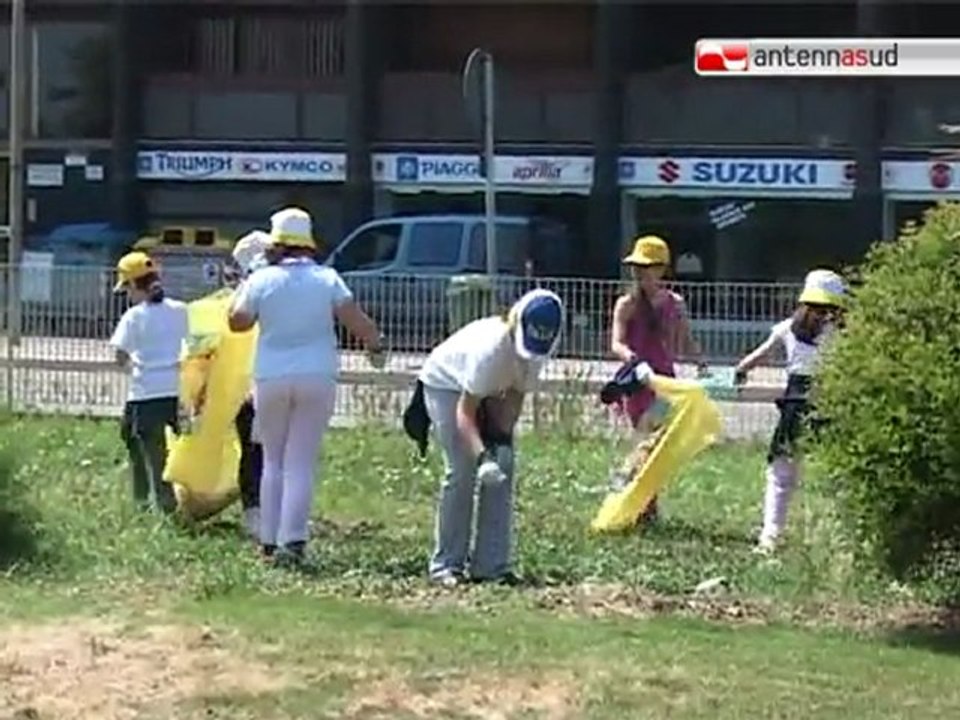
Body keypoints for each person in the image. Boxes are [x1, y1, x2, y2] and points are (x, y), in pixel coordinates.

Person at [227, 208, 384, 567]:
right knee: (300, 462)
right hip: (317, 374)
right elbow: (356, 320)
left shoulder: (262, 280)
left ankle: (268, 541)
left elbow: (237, 322)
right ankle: (293, 541)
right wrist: (376, 345)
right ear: (308, 244)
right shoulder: (327, 279)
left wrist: (247, 286)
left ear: (277, 244)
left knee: (272, 461)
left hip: (271, 376)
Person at [417, 288, 565, 587]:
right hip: (447, 387)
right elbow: (465, 411)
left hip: (488, 392)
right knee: (462, 470)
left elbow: (514, 396)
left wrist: (500, 441)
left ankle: (491, 566)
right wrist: (482, 455)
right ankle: (446, 565)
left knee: (505, 466)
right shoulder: (490, 350)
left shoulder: (539, 349)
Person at [734, 269, 847, 554]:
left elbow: (759, 354)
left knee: (781, 473)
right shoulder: (843, 335)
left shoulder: (787, 328)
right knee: (839, 475)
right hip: (831, 404)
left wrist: (740, 371)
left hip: (795, 408)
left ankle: (770, 536)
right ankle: (840, 540)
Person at [609, 235, 706, 523]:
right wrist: (633, 361)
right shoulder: (625, 304)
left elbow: (686, 338)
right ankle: (637, 500)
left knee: (654, 443)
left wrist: (701, 362)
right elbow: (616, 342)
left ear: (661, 269)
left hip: (664, 384)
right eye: (636, 266)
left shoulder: (674, 303)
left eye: (647, 266)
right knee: (644, 440)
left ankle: (640, 500)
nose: (639, 272)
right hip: (637, 384)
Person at [110, 251, 189, 515]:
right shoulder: (181, 310)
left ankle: (157, 506)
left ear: (134, 285)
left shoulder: (134, 316)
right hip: (177, 390)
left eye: (127, 288)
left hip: (146, 393)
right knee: (171, 450)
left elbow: (119, 356)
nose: (127, 295)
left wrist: (133, 364)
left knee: (151, 454)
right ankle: (180, 500)